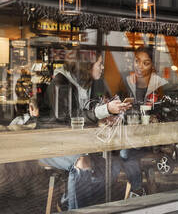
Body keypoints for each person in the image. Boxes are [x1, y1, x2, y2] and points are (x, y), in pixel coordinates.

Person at [39, 50, 131, 210]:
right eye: (99, 64)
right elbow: (67, 119)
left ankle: (69, 200)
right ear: (87, 66)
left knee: (113, 164)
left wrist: (105, 116)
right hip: (49, 143)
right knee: (82, 162)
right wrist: (105, 110)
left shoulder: (90, 84)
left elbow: (88, 113)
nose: (102, 68)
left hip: (76, 143)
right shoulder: (61, 83)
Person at [118, 47, 169, 196]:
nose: (140, 66)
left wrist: (155, 117)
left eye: (145, 63)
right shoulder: (126, 82)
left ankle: (137, 189)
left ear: (152, 65)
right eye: (137, 61)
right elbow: (117, 107)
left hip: (150, 138)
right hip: (130, 135)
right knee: (124, 153)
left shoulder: (158, 85)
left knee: (125, 154)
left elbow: (164, 110)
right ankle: (137, 189)